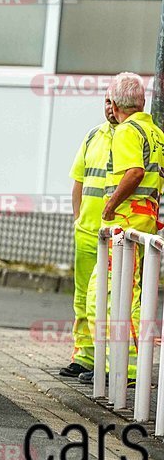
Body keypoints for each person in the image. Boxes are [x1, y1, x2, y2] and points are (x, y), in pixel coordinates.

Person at [80, 72, 164, 386]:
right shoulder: (155, 132)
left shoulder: (127, 131)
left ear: (114, 104)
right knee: (132, 297)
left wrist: (110, 205)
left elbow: (135, 172)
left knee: (99, 298)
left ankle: (119, 370)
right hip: (143, 223)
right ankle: (125, 369)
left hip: (124, 225)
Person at [59, 90, 118, 378]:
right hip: (87, 232)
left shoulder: (133, 138)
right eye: (106, 101)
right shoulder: (94, 135)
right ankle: (84, 356)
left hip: (118, 236)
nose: (110, 108)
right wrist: (78, 220)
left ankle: (109, 363)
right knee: (82, 298)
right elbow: (79, 183)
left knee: (108, 300)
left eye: (114, 102)